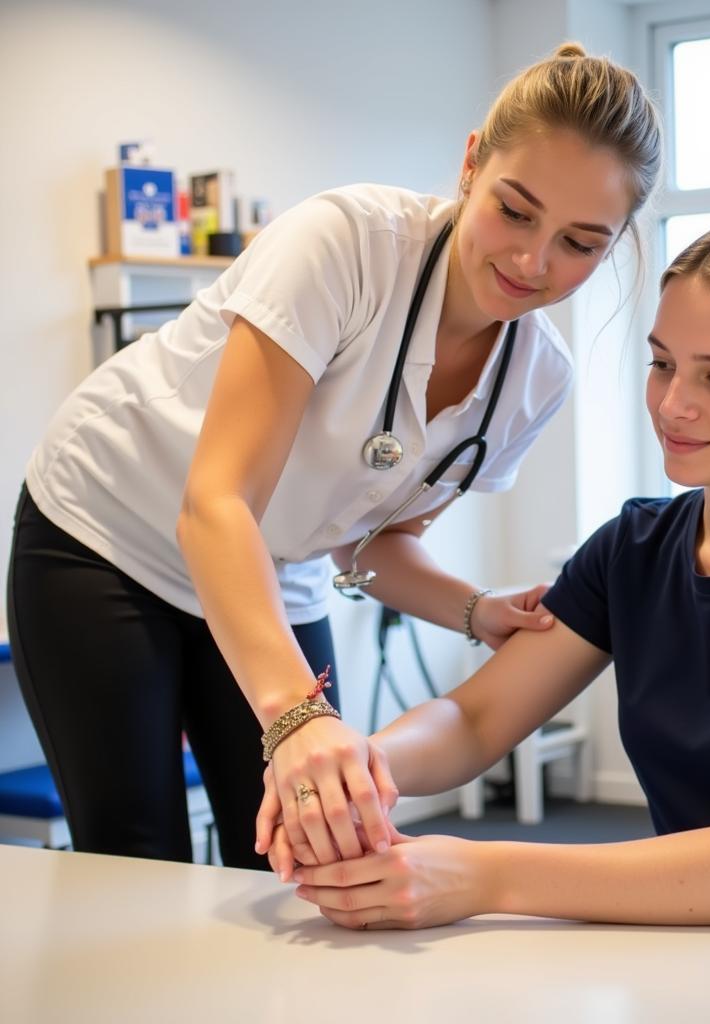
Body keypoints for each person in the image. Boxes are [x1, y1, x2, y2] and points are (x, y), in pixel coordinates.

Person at [6, 43, 662, 869]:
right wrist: (294, 717)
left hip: (276, 571)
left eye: (580, 242)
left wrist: (474, 609)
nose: (534, 262)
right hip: (109, 529)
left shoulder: (535, 381)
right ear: (470, 164)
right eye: (517, 211)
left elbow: (374, 545)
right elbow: (217, 504)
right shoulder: (347, 243)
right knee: (140, 856)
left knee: (317, 844)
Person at [261, 217, 710, 937]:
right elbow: (476, 719)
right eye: (663, 363)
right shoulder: (634, 549)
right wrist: (356, 767)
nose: (674, 403)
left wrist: (485, 876)